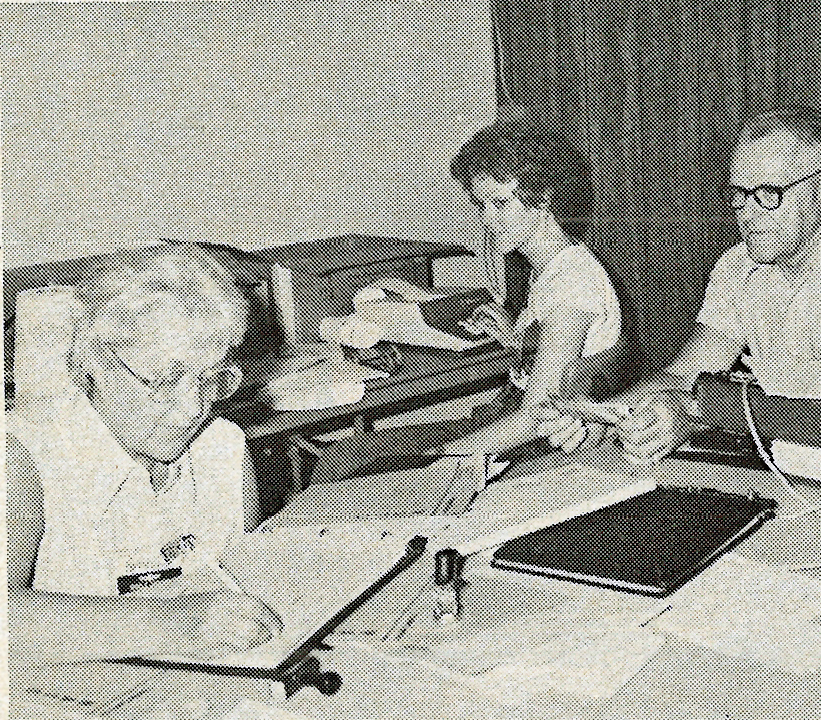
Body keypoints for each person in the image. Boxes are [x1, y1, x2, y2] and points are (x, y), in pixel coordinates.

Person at [537, 106, 821, 463]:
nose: (747, 212)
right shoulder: (736, 265)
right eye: (739, 194)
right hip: (802, 454)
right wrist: (613, 414)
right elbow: (685, 372)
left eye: (768, 193)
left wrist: (690, 412)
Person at [5, 245, 282, 665]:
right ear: (93, 364)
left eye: (212, 380)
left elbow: (244, 585)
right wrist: (171, 623)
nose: (193, 408)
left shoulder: (222, 447)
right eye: (164, 381)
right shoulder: (21, 457)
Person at [310, 120, 623, 483]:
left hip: (535, 450)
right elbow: (561, 361)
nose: (488, 220)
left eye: (500, 203)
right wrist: (514, 337)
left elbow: (537, 415)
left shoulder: (571, 286)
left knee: (348, 464)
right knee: (348, 455)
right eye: (481, 205)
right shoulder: (551, 268)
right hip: (503, 419)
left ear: (544, 197)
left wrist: (436, 459)